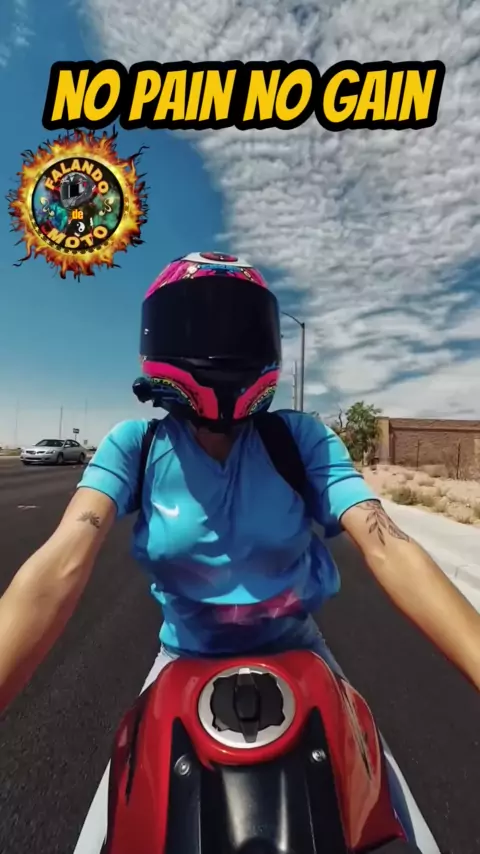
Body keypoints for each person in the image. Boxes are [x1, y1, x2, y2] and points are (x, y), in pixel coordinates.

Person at [0, 252, 479, 850]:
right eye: (199, 326)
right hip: (181, 659)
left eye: (238, 328)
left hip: (304, 654)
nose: (220, 346)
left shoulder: (300, 439)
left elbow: (388, 546)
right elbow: (62, 560)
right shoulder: (135, 446)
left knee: (396, 826)